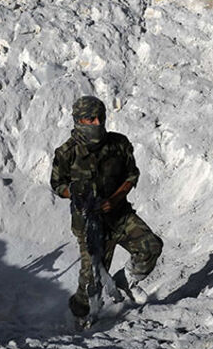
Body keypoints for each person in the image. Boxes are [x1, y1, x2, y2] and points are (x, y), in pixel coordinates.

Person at [50, 95, 163, 321]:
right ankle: (80, 317)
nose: (97, 124)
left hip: (120, 215)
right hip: (90, 225)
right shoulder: (66, 152)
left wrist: (117, 197)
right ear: (79, 121)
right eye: (90, 120)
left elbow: (132, 174)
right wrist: (73, 192)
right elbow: (57, 185)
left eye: (100, 118)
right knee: (91, 283)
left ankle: (125, 281)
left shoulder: (119, 144)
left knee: (150, 246)